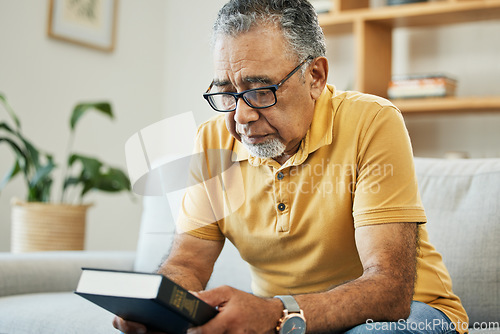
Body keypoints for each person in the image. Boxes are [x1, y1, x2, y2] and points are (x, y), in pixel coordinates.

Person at [114, 0, 468, 333]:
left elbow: (390, 289)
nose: (241, 117)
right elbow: (187, 263)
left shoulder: (372, 121)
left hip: (410, 313)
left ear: (315, 76)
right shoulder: (212, 143)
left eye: (261, 90)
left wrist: (277, 314)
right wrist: (157, 308)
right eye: (227, 92)